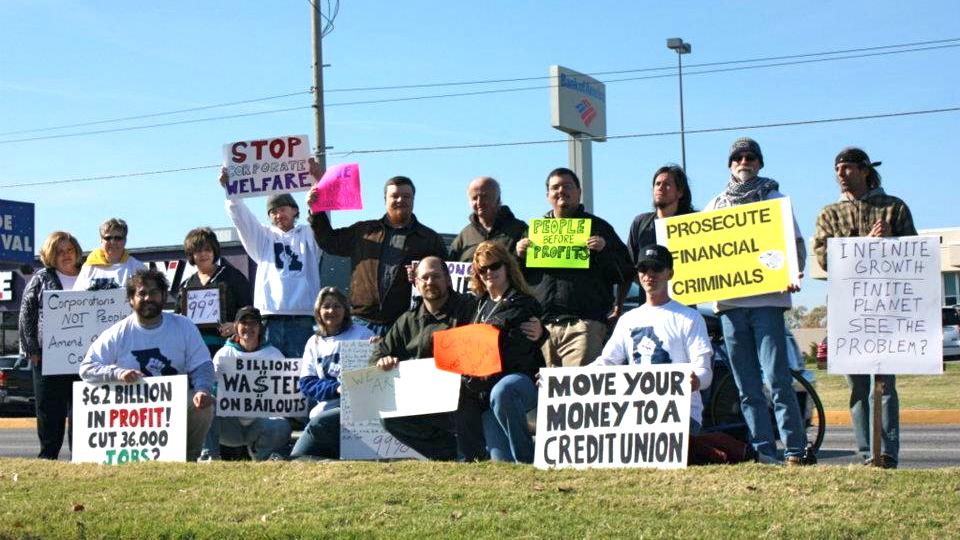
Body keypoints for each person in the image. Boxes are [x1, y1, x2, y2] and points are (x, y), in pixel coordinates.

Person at [704, 137, 813, 465]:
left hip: (768, 303)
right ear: (730, 164)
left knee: (778, 379)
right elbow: (703, 254)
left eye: (750, 156)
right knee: (746, 385)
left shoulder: (776, 200)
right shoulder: (716, 206)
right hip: (731, 307)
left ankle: (794, 449)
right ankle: (764, 451)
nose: (744, 161)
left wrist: (794, 271)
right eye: (737, 157)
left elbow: (796, 246)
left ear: (760, 162)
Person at [813, 147, 915, 469]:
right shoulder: (829, 214)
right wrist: (864, 245)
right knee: (857, 385)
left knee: (884, 384)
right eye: (837, 169)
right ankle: (865, 453)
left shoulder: (894, 208)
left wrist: (891, 243)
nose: (841, 174)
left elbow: (913, 256)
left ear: (865, 170)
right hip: (848, 308)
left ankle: (887, 453)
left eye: (847, 168)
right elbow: (825, 259)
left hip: (887, 307)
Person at [79, 269, 214, 462]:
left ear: (164, 296)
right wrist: (117, 373)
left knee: (202, 405)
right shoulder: (117, 332)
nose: (148, 298)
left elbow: (202, 365)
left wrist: (203, 389)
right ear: (131, 300)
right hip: (133, 411)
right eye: (141, 293)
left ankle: (189, 458)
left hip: (173, 405)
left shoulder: (183, 325)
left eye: (153, 292)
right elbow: (86, 368)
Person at [516, 167, 633, 367]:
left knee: (576, 392)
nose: (561, 191)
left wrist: (604, 250)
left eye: (567, 186)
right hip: (542, 327)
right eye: (555, 187)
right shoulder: (532, 231)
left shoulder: (599, 227)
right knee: (544, 393)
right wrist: (517, 255)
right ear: (548, 196)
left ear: (579, 192)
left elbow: (626, 272)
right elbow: (516, 278)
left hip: (583, 327)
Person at [591, 244, 712, 431]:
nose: (649, 274)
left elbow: (704, 371)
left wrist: (695, 381)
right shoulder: (628, 320)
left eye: (656, 268)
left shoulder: (690, 317)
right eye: (643, 268)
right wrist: (558, 380)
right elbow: (606, 363)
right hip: (637, 416)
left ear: (670, 274)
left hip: (681, 415)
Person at [309, 174, 448, 336]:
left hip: (404, 323)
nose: (400, 200)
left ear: (413, 200)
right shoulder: (364, 231)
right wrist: (316, 211)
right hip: (360, 323)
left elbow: (447, 277)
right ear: (385, 200)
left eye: (406, 196)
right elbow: (329, 242)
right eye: (394, 196)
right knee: (360, 363)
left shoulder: (429, 239)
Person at [375, 256, 478, 461]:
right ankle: (445, 454)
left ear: (448, 280)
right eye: (425, 278)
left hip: (463, 397)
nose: (430, 282)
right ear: (416, 282)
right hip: (422, 399)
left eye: (436, 276)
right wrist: (382, 361)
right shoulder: (407, 320)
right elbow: (379, 353)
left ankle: (466, 453)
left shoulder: (469, 308)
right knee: (389, 418)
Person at [220, 170, 323, 358]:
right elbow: (243, 220)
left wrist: (318, 186)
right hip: (269, 318)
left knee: (299, 374)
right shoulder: (264, 238)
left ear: (295, 210)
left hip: (303, 318)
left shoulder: (308, 235)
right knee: (269, 376)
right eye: (273, 212)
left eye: (283, 209)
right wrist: (231, 193)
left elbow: (321, 221)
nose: (278, 215)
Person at [469, 241, 545, 463]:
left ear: (507, 266)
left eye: (494, 266)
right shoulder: (477, 305)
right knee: (502, 463)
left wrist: (542, 332)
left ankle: (528, 461)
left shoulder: (523, 302)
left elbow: (516, 349)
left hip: (519, 382)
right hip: (486, 391)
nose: (489, 273)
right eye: (482, 269)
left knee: (503, 392)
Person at [18, 231, 83, 459]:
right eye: (59, 251)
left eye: (69, 250)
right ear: (50, 255)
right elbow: (27, 315)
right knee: (49, 411)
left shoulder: (89, 275)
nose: (66, 255)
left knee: (82, 410)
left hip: (84, 359)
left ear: (76, 251)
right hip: (48, 358)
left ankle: (81, 456)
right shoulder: (41, 278)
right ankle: (48, 456)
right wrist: (32, 349)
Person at [290, 287, 375, 460]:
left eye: (337, 306)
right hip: (324, 410)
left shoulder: (363, 334)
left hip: (355, 411)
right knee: (299, 457)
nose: (331, 311)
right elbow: (307, 383)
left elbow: (376, 373)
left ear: (345, 310)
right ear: (318, 312)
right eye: (326, 306)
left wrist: (379, 349)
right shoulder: (313, 342)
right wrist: (336, 389)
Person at [205, 307, 293, 461]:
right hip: (229, 424)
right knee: (206, 407)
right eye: (243, 323)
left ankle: (264, 458)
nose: (248, 328)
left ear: (260, 327)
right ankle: (208, 457)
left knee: (281, 425)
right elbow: (213, 387)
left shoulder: (274, 355)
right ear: (236, 327)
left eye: (253, 323)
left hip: (261, 423)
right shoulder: (224, 354)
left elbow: (284, 394)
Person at [625, 165, 696, 306]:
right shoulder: (640, 223)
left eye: (667, 184)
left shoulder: (693, 224)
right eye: (657, 184)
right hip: (648, 307)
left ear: (680, 192)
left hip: (684, 308)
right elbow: (629, 267)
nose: (660, 187)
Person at [178, 227, 253, 358]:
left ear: (214, 251)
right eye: (198, 250)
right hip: (194, 351)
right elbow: (178, 319)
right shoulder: (186, 284)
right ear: (191, 254)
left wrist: (236, 326)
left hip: (229, 348)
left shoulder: (233, 276)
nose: (203, 254)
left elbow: (249, 311)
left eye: (207, 249)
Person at [448, 176, 528, 262]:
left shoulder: (520, 230)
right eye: (474, 198)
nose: (479, 202)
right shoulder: (463, 237)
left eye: (484, 196)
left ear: (498, 199)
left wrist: (524, 255)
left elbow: (536, 270)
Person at [73, 218, 143, 290]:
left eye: (118, 238)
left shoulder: (137, 268)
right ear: (101, 240)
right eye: (108, 238)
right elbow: (76, 297)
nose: (113, 242)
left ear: (125, 240)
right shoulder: (88, 268)